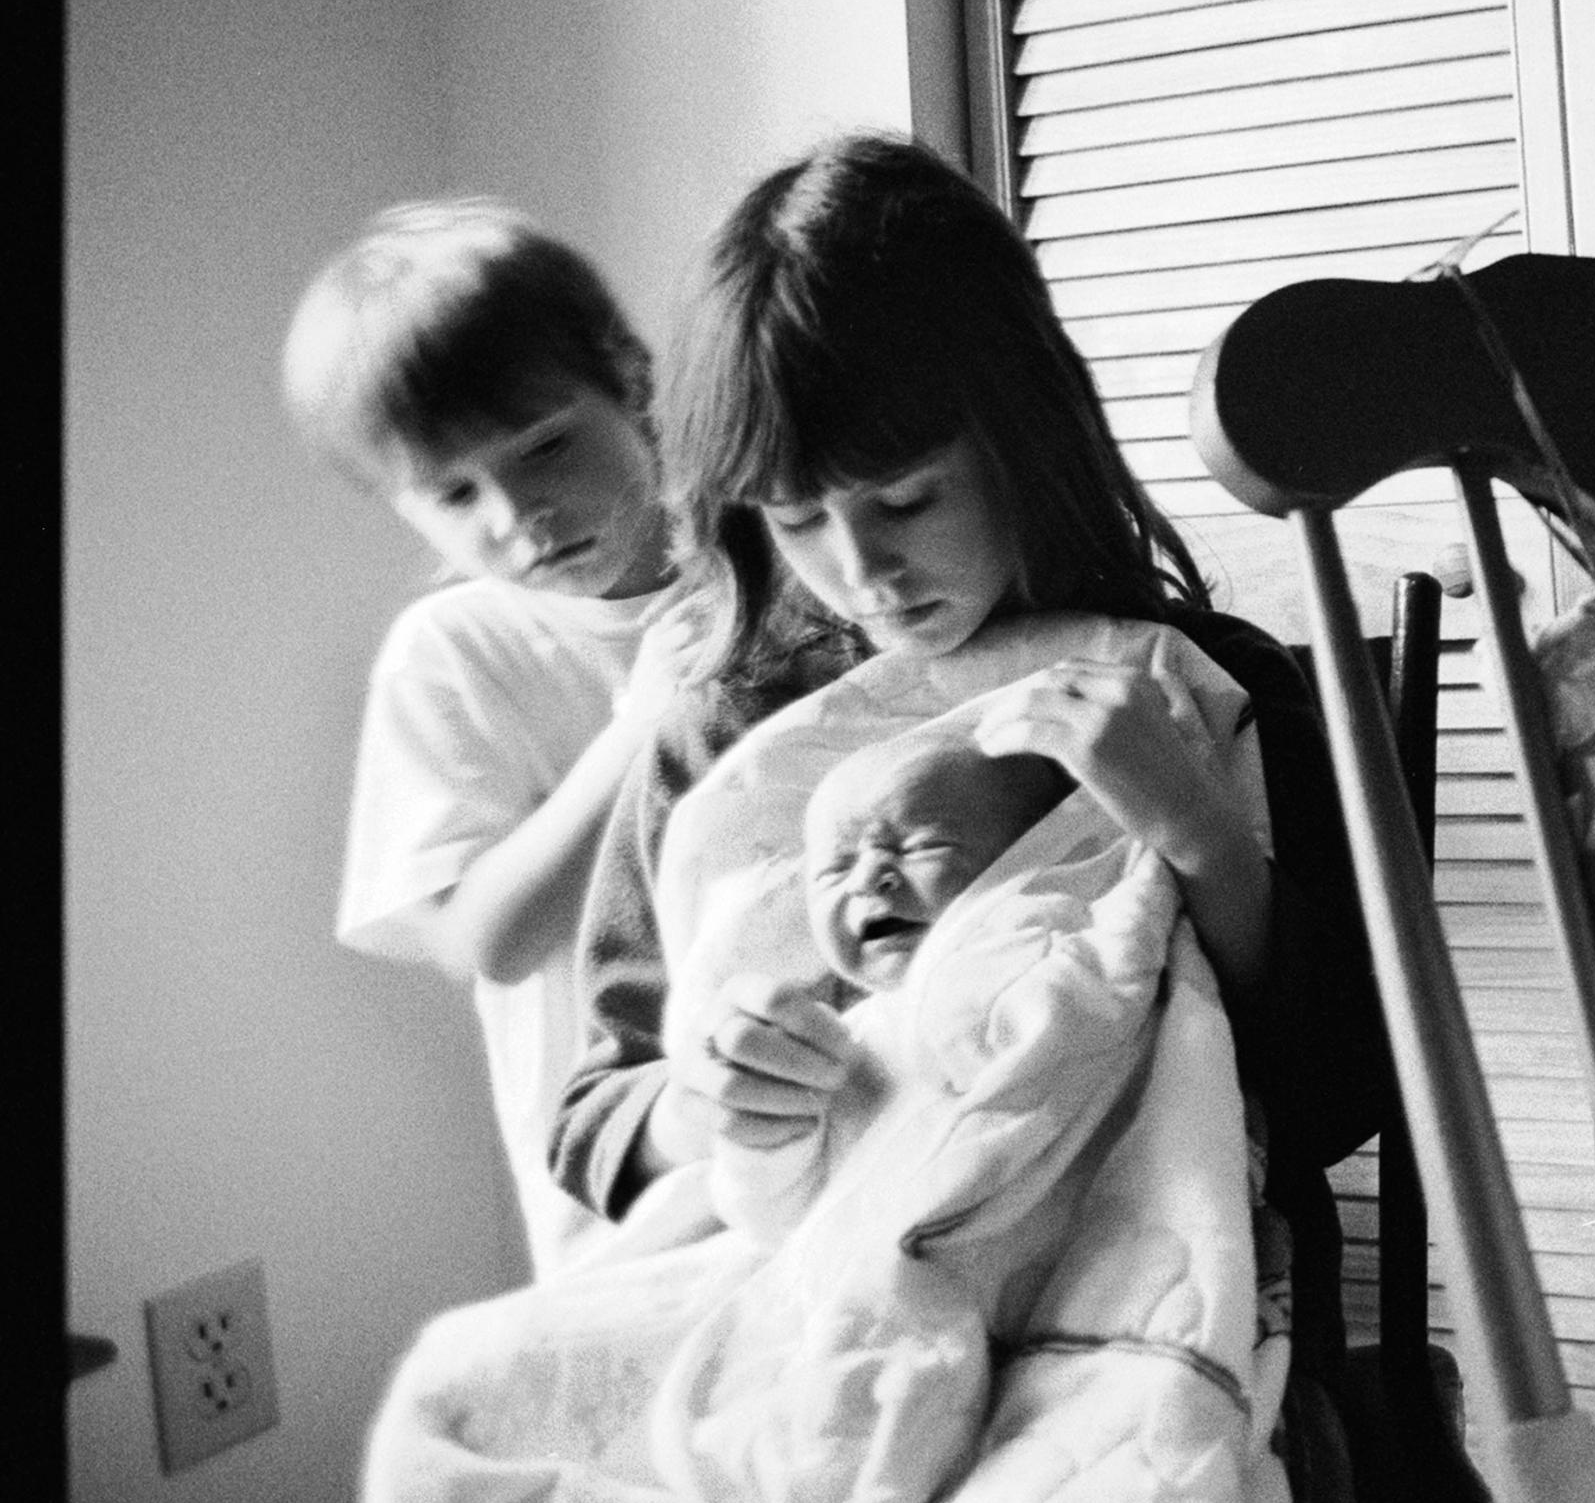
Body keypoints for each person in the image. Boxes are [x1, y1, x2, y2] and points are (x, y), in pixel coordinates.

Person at [546, 130, 1390, 1250]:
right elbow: (592, 1117)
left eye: (907, 500)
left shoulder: (1203, 685)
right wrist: (703, 1100)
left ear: (1026, 435)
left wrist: (1200, 834)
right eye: (797, 520)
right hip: (815, 1293)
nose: (861, 571)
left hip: (1144, 1276)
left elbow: (1342, 1096)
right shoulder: (731, 731)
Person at [287, 200, 693, 1279]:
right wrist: (645, 727)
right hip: (630, 1200)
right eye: (456, 492)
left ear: (631, 382)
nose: (519, 517)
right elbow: (484, 941)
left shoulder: (773, 562)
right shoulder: (455, 652)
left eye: (546, 447)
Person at [800, 720, 1077, 996]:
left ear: (1046, 850)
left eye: (923, 846)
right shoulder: (853, 1021)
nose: (864, 880)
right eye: (834, 869)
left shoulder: (1062, 965)